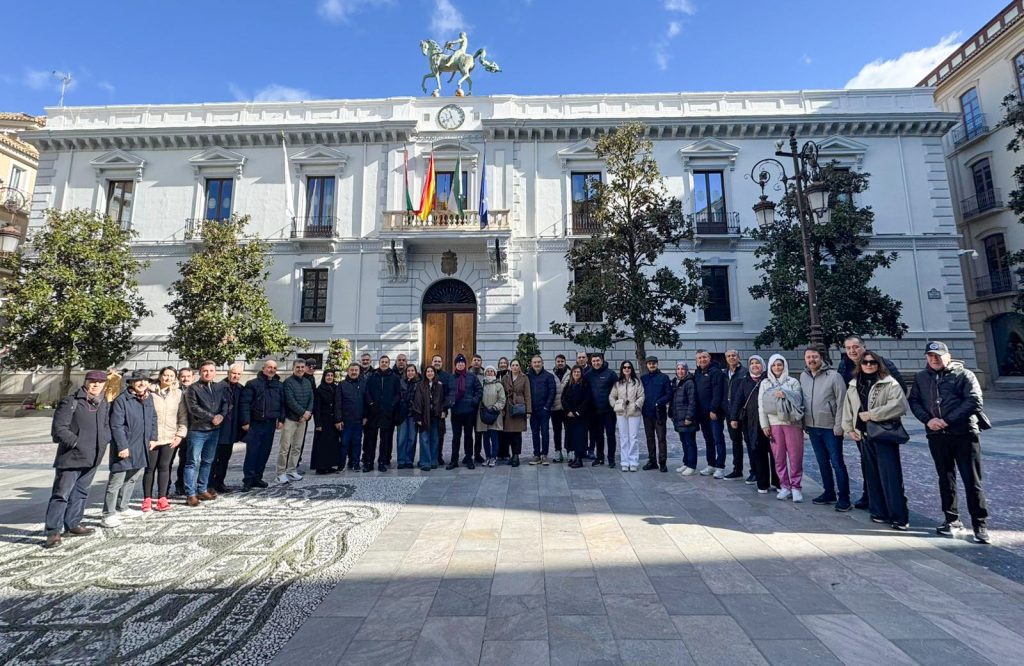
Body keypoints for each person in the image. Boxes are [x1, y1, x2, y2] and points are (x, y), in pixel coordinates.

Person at [908, 341, 991, 544]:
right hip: (937, 435)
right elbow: (914, 401)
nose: (934, 359)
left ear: (948, 356)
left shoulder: (964, 375)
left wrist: (947, 420)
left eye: (938, 355)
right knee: (945, 478)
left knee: (972, 480)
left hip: (964, 433)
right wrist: (928, 420)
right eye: (930, 356)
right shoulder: (921, 377)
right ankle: (951, 519)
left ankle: (980, 524)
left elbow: (974, 401)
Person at [841, 349, 910, 530]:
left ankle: (898, 516)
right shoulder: (854, 384)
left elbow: (899, 405)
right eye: (865, 362)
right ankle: (878, 512)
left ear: (879, 364)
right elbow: (848, 408)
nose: (869, 365)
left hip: (883, 434)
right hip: (864, 435)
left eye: (873, 362)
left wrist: (872, 414)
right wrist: (849, 428)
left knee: (891, 476)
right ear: (860, 365)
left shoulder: (889, 382)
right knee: (871, 475)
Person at [43, 370, 112, 549]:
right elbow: (59, 429)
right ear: (86, 382)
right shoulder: (71, 401)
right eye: (92, 381)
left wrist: (105, 440)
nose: (96, 384)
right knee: (61, 494)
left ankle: (73, 523)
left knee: (81, 492)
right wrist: (76, 443)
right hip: (72, 457)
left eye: (100, 382)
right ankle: (53, 531)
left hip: (93, 456)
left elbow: (106, 425)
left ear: (104, 384)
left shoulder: (103, 403)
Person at [102, 373, 157, 528]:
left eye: (145, 380)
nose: (142, 383)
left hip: (142, 444)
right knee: (116, 481)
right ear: (131, 383)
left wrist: (153, 437)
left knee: (132, 478)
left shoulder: (148, 398)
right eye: (138, 380)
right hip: (126, 445)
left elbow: (153, 418)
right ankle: (108, 514)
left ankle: (123, 507)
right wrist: (122, 446)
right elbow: (116, 425)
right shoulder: (122, 399)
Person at [800, 347, 852, 511]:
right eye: (808, 357)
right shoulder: (803, 376)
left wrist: (839, 425)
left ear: (821, 358)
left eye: (814, 356)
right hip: (813, 426)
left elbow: (842, 402)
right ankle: (829, 492)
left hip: (830, 427)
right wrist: (804, 423)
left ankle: (844, 497)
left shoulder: (834, 376)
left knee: (837, 463)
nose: (811, 360)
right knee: (822, 462)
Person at [758, 354, 805, 502]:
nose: (777, 367)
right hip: (774, 423)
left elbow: (798, 399)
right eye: (774, 365)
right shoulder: (765, 383)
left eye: (779, 364)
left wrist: (785, 394)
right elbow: (761, 405)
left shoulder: (793, 382)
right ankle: (785, 486)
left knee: (795, 456)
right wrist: (764, 424)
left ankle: (796, 487)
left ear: (784, 366)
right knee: (778, 457)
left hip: (792, 423)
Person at [183, 361, 227, 507]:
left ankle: (202, 489)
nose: (208, 373)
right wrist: (211, 417)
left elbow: (226, 403)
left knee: (208, 461)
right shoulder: (193, 388)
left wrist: (221, 415)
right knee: (192, 462)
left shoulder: (218, 387)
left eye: (211, 370)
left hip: (214, 430)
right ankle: (190, 494)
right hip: (198, 430)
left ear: (215, 372)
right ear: (200, 372)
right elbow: (193, 408)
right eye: (205, 371)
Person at [239, 359, 285, 491]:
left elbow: (282, 404)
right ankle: (248, 479)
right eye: (269, 367)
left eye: (274, 368)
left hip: (270, 424)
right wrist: (245, 421)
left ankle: (257, 478)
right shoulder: (252, 384)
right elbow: (245, 404)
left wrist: (281, 419)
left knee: (265, 452)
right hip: (255, 423)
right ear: (263, 368)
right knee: (252, 452)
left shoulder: (279, 385)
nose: (271, 370)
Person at [146, 366, 187, 512]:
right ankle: (147, 499)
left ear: (175, 378)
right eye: (165, 375)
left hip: (170, 436)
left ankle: (162, 498)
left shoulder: (178, 394)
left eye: (171, 376)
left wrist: (180, 435)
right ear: (160, 376)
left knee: (164, 467)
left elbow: (182, 416)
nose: (168, 378)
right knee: (150, 468)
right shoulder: (149, 392)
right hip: (152, 437)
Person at [737, 356, 780, 493]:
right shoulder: (745, 380)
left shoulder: (769, 379)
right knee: (758, 452)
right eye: (752, 363)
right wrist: (733, 418)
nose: (755, 365)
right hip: (753, 422)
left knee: (775, 453)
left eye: (757, 363)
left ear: (763, 365)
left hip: (771, 421)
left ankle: (778, 482)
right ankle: (762, 483)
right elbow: (738, 399)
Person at [210, 362, 244, 494]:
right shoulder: (218, 387)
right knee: (213, 458)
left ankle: (220, 482)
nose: (236, 376)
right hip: (218, 428)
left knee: (225, 458)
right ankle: (209, 484)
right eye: (234, 373)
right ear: (228, 373)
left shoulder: (241, 388)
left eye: (238, 374)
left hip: (231, 429)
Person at [277, 360, 313, 484]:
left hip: (302, 420)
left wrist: (307, 413)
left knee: (297, 447)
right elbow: (290, 401)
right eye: (298, 367)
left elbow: (311, 399)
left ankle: (292, 470)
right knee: (284, 447)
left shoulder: (307, 382)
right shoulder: (288, 382)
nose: (300, 369)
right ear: (293, 368)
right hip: (290, 419)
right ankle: (280, 473)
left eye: (302, 367)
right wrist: (303, 412)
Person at [364, 355, 401, 472]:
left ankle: (382, 462)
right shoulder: (372, 376)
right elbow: (367, 391)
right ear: (379, 363)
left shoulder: (394, 377)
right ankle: (369, 463)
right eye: (382, 362)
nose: (384, 363)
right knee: (371, 439)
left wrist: (392, 405)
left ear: (389, 364)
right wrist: (370, 403)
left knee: (385, 440)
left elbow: (398, 393)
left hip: (387, 413)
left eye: (386, 362)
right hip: (373, 412)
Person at [445, 354, 483, 469]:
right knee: (456, 437)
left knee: (468, 436)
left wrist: (474, 401)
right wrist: (449, 402)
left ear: (465, 365)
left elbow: (479, 390)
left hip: (469, 412)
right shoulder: (450, 378)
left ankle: (469, 458)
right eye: (458, 363)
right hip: (456, 412)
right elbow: (445, 392)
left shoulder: (472, 377)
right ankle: (454, 460)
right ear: (455, 365)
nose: (460, 364)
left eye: (462, 363)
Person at [694, 350, 727, 478]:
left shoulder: (716, 372)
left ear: (709, 358)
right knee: (708, 440)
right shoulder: (698, 373)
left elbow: (718, 392)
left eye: (704, 357)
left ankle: (720, 467)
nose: (702, 360)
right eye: (699, 358)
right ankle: (711, 464)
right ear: (697, 360)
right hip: (702, 414)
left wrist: (713, 409)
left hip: (714, 413)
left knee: (718, 439)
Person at [610, 360, 645, 472]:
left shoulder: (637, 382)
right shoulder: (618, 383)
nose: (627, 369)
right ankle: (624, 461)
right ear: (622, 369)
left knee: (633, 437)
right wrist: (616, 405)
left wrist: (636, 405)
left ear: (631, 369)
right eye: (624, 367)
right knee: (623, 437)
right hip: (621, 413)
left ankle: (633, 461)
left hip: (634, 412)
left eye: (629, 367)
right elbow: (612, 396)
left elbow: (641, 396)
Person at [640, 355, 672, 472]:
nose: (652, 365)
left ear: (657, 364)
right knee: (649, 438)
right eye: (650, 363)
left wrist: (659, 402)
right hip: (647, 413)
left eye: (654, 363)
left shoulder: (664, 377)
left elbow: (669, 394)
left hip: (659, 413)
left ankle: (662, 462)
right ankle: (652, 461)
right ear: (647, 365)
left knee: (661, 438)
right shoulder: (643, 378)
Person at [587, 353, 619, 467]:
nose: (596, 363)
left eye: (598, 360)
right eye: (594, 361)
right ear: (591, 362)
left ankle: (611, 459)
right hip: (595, 411)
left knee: (610, 435)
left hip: (609, 411)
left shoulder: (611, 374)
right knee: (598, 435)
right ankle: (600, 457)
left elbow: (617, 391)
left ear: (602, 361)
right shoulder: (588, 374)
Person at [413, 365, 446, 471]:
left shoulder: (439, 385)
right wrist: (418, 417)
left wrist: (443, 411)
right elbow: (417, 401)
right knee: (424, 439)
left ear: (434, 373)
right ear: (425, 373)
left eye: (432, 371)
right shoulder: (420, 385)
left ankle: (433, 461)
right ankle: (425, 462)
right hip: (424, 416)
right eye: (428, 371)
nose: (430, 373)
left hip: (436, 416)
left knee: (435, 439)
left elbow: (443, 400)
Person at [722, 349, 749, 480]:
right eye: (728, 356)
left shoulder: (745, 373)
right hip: (729, 413)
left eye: (733, 355)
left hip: (743, 413)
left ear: (738, 357)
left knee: (749, 442)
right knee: (735, 441)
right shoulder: (724, 373)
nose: (731, 358)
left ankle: (755, 471)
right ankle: (737, 469)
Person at [337, 363, 368, 470]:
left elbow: (366, 401)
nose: (354, 372)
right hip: (346, 421)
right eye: (352, 370)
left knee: (357, 443)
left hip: (358, 420)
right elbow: (338, 403)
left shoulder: (363, 384)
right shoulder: (342, 384)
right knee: (344, 443)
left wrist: (365, 416)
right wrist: (338, 419)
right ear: (348, 371)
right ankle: (341, 465)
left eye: (356, 370)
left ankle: (355, 463)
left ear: (359, 372)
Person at [310, 369, 341, 474]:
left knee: (332, 444)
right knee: (322, 444)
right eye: (328, 375)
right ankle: (320, 467)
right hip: (323, 421)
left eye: (331, 375)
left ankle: (330, 465)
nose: (330, 377)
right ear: (324, 377)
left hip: (333, 421)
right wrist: (318, 424)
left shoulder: (336, 388)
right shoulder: (320, 389)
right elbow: (317, 408)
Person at [670, 362, 699, 475]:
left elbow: (692, 401)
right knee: (684, 442)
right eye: (678, 369)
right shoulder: (677, 382)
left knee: (690, 442)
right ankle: (686, 463)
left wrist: (689, 417)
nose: (680, 371)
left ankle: (692, 465)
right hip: (679, 418)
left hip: (687, 418)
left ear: (686, 370)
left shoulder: (689, 383)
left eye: (682, 369)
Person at [527, 355, 556, 466]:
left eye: (539, 362)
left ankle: (544, 455)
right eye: (534, 362)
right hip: (533, 410)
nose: (537, 364)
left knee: (545, 432)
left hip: (544, 410)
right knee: (534, 433)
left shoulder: (548, 376)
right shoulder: (528, 376)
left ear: (542, 363)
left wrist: (547, 407)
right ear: (531, 364)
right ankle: (536, 455)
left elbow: (552, 392)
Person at [561, 366, 593, 469]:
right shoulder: (569, 384)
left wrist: (576, 412)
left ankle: (579, 459)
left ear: (581, 373)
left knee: (580, 437)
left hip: (581, 416)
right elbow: (563, 399)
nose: (576, 374)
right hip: (569, 417)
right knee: (572, 437)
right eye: (574, 372)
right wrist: (568, 411)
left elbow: (587, 400)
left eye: (578, 372)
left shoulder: (585, 384)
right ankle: (575, 457)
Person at [502, 359, 531, 467]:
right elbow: (502, 392)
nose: (515, 367)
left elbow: (527, 394)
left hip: (519, 406)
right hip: (508, 406)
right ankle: (510, 454)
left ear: (519, 367)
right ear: (510, 366)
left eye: (517, 365)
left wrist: (528, 410)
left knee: (517, 433)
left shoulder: (524, 378)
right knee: (508, 433)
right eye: (513, 365)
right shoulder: (505, 378)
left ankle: (516, 456)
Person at [476, 365, 507, 467]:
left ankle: (494, 457)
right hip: (483, 415)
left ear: (494, 373)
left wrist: (494, 408)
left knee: (494, 437)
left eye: (491, 371)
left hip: (495, 414)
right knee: (485, 438)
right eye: (488, 371)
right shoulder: (482, 385)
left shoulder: (498, 385)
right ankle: (487, 457)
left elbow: (502, 400)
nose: (489, 373)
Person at [173, 366, 194, 496]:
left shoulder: (196, 390)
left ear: (193, 377)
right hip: (173, 430)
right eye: (183, 376)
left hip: (190, 430)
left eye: (188, 376)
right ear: (179, 378)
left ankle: (181, 484)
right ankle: (165, 488)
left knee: (185, 460)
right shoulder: (174, 391)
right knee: (168, 461)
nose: (185, 379)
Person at [396, 364, 421, 469]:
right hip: (402, 414)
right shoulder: (401, 383)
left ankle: (409, 460)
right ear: (406, 373)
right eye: (408, 371)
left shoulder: (419, 384)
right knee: (402, 438)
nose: (410, 373)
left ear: (415, 372)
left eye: (412, 370)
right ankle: (401, 460)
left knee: (412, 438)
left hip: (413, 415)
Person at [551, 354, 571, 462]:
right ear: (555, 362)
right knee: (556, 431)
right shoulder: (551, 375)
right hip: (555, 408)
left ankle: (569, 451)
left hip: (567, 408)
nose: (560, 363)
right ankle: (558, 451)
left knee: (569, 431)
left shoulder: (570, 373)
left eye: (562, 361)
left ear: (565, 362)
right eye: (558, 361)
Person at [431, 355, 451, 465]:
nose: (437, 363)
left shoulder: (446, 376)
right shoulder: (428, 373)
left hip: (441, 411)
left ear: (442, 363)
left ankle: (439, 456)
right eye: (435, 361)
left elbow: (448, 394)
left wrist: (444, 409)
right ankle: (430, 456)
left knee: (440, 434)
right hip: (428, 411)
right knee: (429, 434)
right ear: (432, 362)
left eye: (439, 361)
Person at [470, 354, 486, 463]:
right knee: (468, 432)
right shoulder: (467, 373)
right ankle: (468, 454)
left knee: (479, 432)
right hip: (469, 407)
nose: (476, 362)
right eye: (475, 360)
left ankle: (477, 453)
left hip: (480, 407)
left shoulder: (485, 374)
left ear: (481, 362)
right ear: (471, 362)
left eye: (478, 360)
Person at [495, 356, 511, 461]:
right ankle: (499, 452)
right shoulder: (496, 375)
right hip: (498, 406)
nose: (503, 364)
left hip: (508, 406)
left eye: (504, 363)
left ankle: (506, 453)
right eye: (501, 363)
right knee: (498, 430)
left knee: (507, 431)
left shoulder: (510, 375)